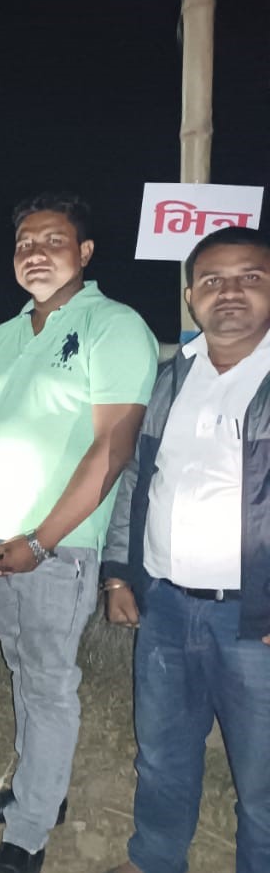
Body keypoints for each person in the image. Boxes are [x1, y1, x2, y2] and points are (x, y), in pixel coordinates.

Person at [0, 192, 157, 873]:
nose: (34, 254)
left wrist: (39, 542)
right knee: (22, 668)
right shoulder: (2, 338)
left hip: (57, 548)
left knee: (47, 682)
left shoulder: (114, 326)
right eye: (24, 244)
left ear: (85, 252)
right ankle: (38, 791)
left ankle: (29, 832)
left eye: (52, 241)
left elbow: (112, 448)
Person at [101, 227, 270, 873]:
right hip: (167, 608)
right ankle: (155, 859)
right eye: (212, 281)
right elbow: (137, 479)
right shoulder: (171, 376)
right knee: (163, 756)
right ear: (191, 296)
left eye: (250, 277)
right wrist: (120, 574)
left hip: (254, 620)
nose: (229, 292)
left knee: (262, 780)